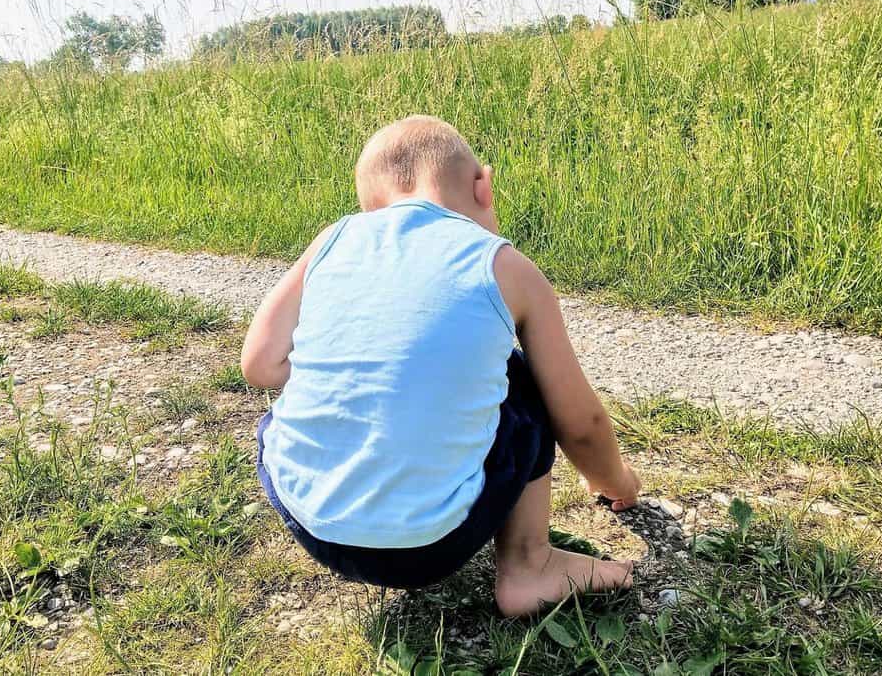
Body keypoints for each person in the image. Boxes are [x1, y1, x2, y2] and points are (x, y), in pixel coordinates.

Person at [241, 115, 640, 616]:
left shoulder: (333, 240)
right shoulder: (504, 266)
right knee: (522, 377)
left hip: (310, 521)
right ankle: (528, 564)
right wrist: (617, 482)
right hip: (430, 548)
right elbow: (580, 424)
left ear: (369, 207)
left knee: (281, 419)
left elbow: (259, 364)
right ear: (484, 185)